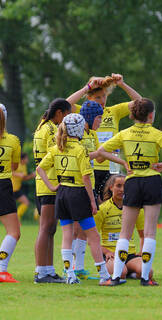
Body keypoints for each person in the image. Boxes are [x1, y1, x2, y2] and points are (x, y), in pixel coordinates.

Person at [96, 98, 162, 286]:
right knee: (150, 232)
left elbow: (102, 151)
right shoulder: (156, 133)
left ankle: (114, 278)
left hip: (133, 181)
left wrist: (123, 162)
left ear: (133, 115)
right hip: (152, 180)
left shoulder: (125, 133)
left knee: (125, 234)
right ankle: (145, 278)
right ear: (151, 115)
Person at [36, 113, 112, 285]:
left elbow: (40, 168)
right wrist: (93, 201)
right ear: (78, 129)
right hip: (78, 194)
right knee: (93, 236)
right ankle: (104, 276)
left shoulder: (56, 148)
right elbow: (86, 178)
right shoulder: (80, 150)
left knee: (66, 235)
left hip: (62, 193)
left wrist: (51, 186)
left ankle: (70, 275)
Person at [67, 73, 142, 201]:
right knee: (94, 208)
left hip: (112, 167)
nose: (102, 100)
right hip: (90, 167)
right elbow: (65, 104)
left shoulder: (114, 111)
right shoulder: (83, 111)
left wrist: (122, 84)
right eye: (97, 97)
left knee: (112, 207)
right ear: (89, 98)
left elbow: (140, 103)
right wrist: (87, 87)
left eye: (104, 96)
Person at [33, 98, 71, 283]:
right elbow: (56, 153)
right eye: (67, 115)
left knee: (50, 228)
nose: (67, 119)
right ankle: (40, 271)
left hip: (46, 182)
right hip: (48, 183)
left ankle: (48, 270)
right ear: (60, 113)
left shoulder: (43, 125)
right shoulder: (49, 129)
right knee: (46, 227)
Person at [95, 174, 155, 281]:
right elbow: (92, 240)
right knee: (120, 273)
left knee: (148, 272)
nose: (122, 189)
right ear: (111, 187)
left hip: (130, 254)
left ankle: (131, 272)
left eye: (125, 186)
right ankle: (123, 270)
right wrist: (107, 252)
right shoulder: (102, 209)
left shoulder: (136, 209)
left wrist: (141, 253)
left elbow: (143, 236)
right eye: (118, 186)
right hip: (111, 255)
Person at [70, 100, 103, 280]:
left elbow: (98, 158)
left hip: (90, 181)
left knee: (84, 227)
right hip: (78, 184)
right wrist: (100, 153)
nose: (100, 122)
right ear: (90, 117)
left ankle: (79, 267)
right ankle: (73, 267)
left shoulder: (93, 134)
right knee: (76, 228)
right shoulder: (77, 133)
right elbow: (77, 155)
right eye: (99, 118)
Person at [0, 104, 21, 282]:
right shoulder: (13, 140)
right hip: (3, 185)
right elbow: (14, 167)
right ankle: (1, 270)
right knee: (13, 232)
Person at [11, 152, 36, 221]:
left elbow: (24, 178)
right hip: (10, 188)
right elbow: (10, 172)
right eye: (26, 158)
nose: (28, 160)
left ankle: (17, 218)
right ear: (22, 159)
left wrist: (32, 175)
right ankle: (16, 218)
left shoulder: (24, 166)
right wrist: (18, 174)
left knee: (26, 202)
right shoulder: (16, 164)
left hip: (16, 189)